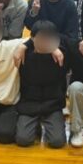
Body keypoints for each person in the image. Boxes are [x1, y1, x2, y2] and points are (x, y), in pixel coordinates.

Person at [15, 21, 67, 149]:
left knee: (57, 141)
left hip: (52, 105)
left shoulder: (61, 55)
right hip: (29, 104)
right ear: (33, 38)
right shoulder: (23, 54)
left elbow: (72, 41)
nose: (45, 42)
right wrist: (25, 45)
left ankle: (51, 123)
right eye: (42, 38)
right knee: (23, 140)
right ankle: (35, 124)